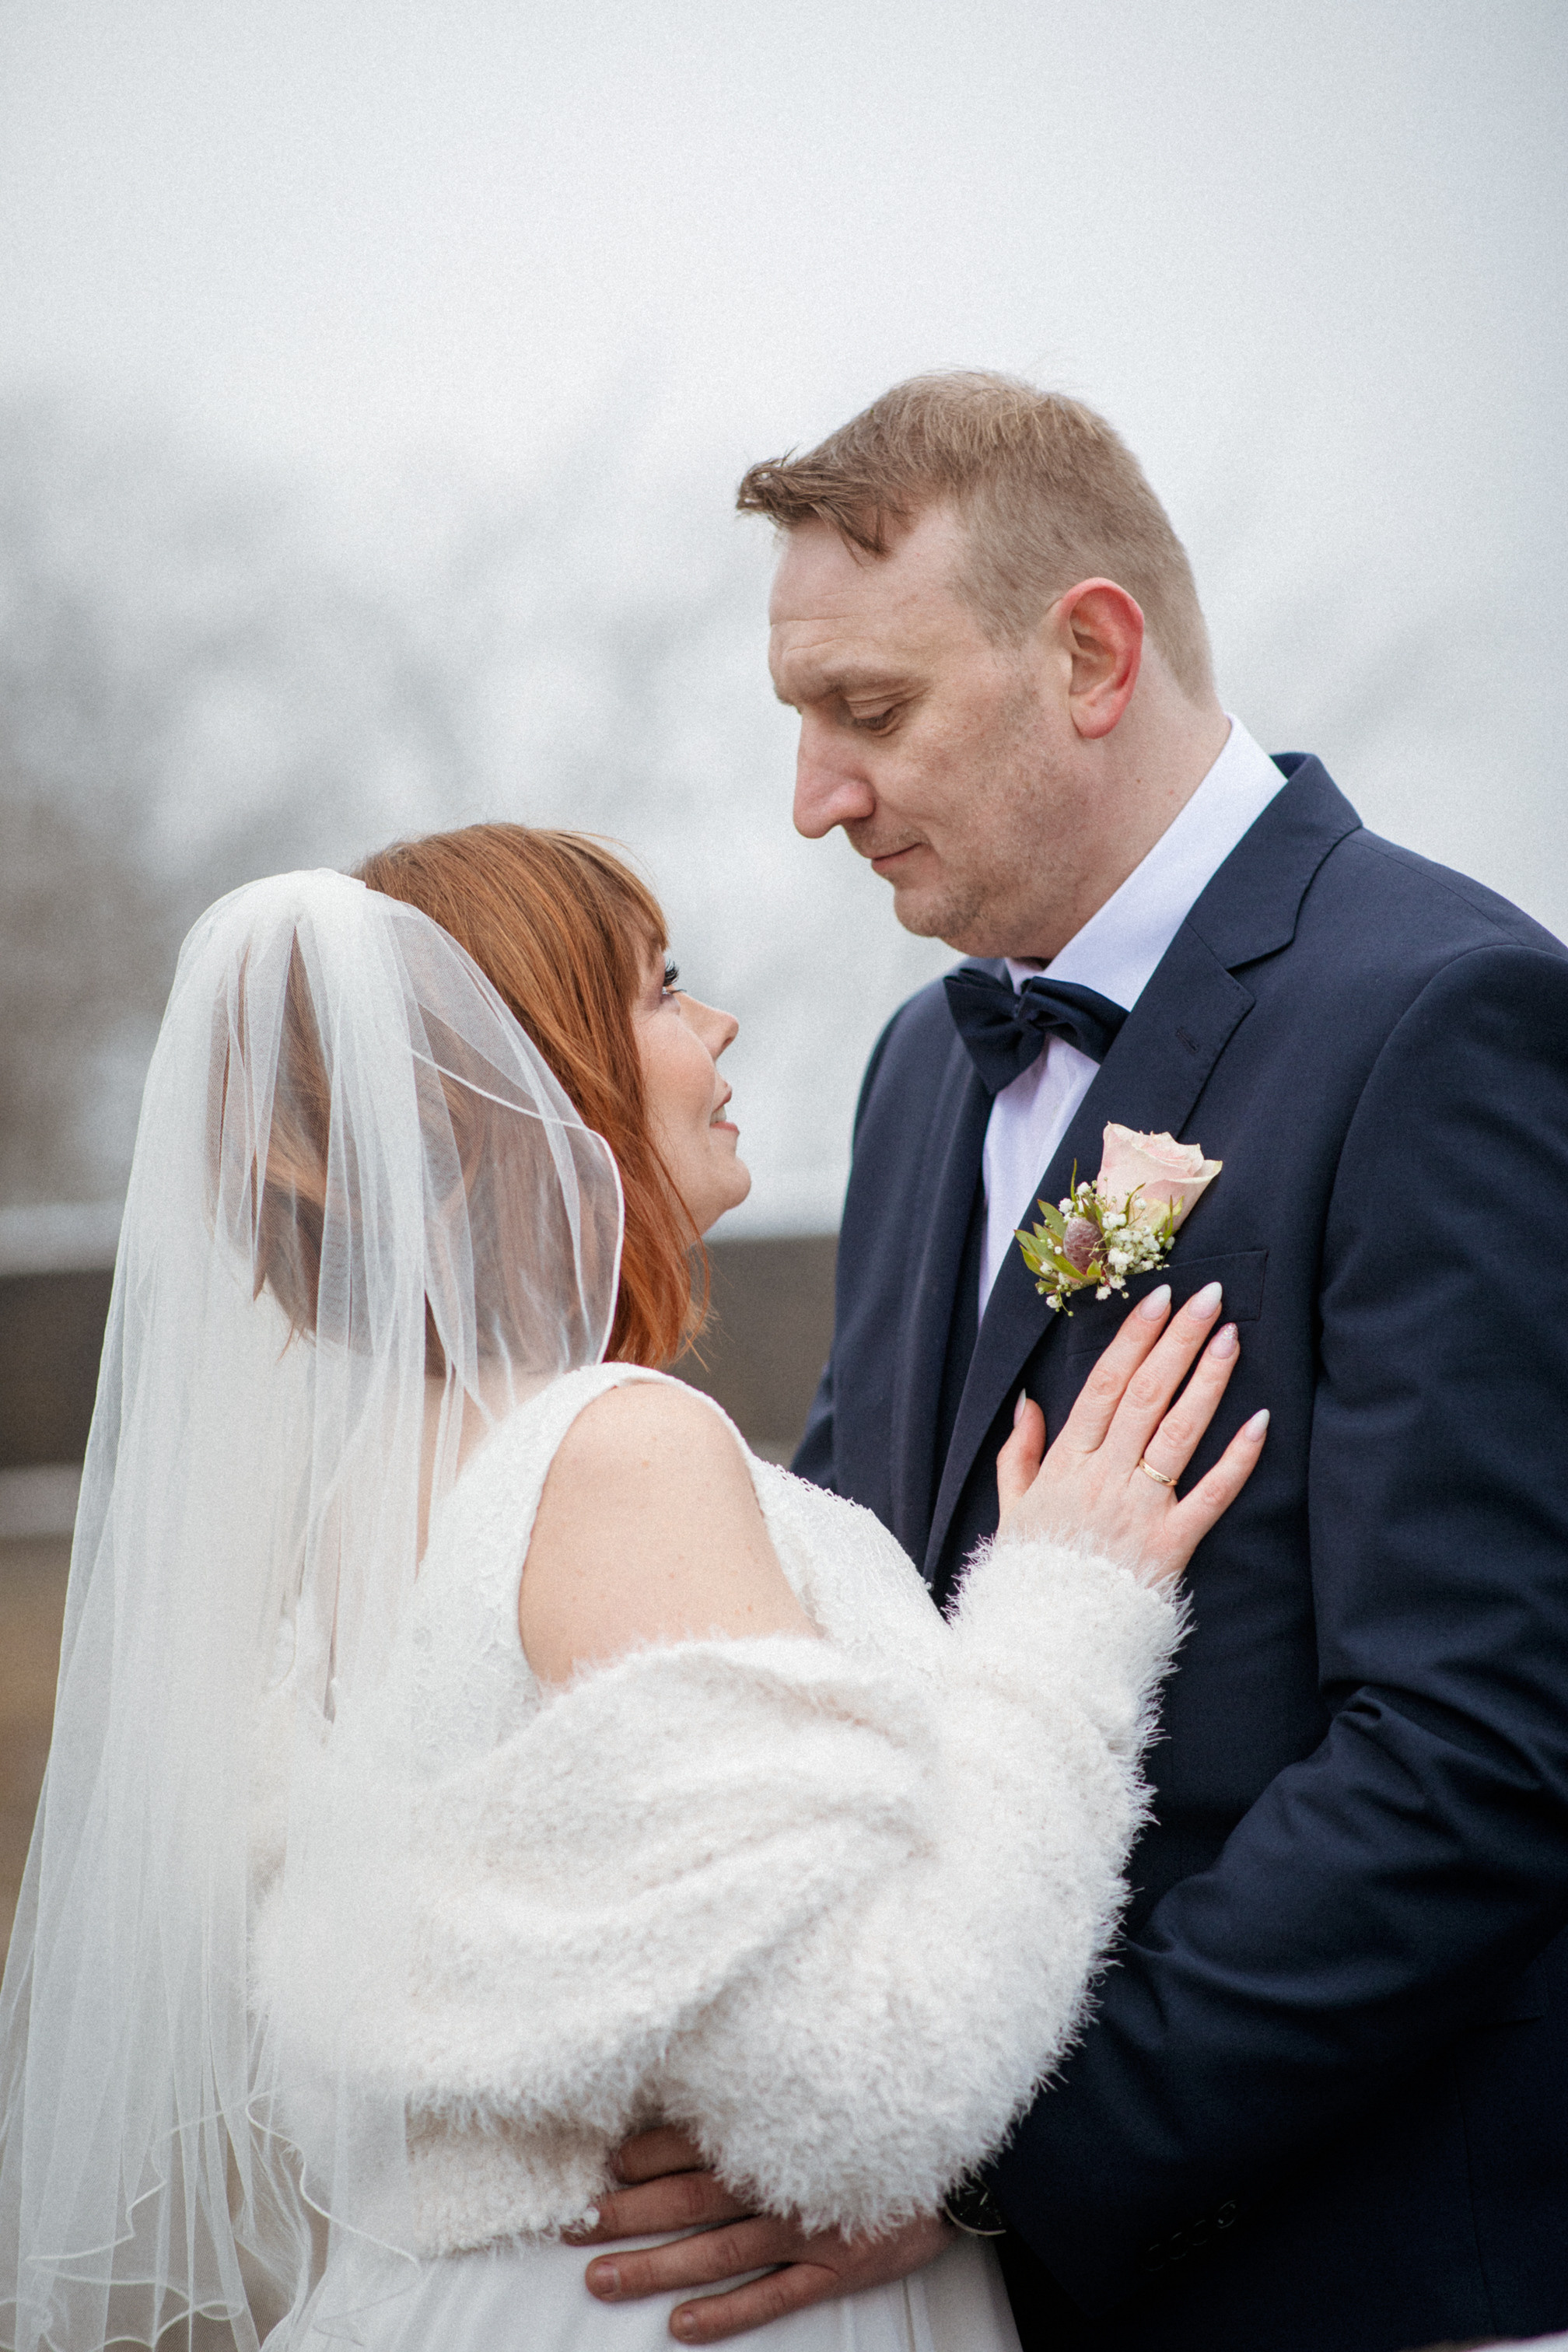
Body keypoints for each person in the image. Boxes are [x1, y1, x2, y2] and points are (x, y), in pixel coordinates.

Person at [572, 374, 1568, 2350]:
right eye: (800, 723)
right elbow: (871, 1624)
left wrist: (976, 2154)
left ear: (1092, 653)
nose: (814, 797)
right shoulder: (923, 1071)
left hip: (1358, 2281)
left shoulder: (1451, 1017)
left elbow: (1479, 1751)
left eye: (868, 714)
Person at [0, 825, 1264, 2352]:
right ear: (528, 1075)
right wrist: (1069, 1601)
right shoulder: (617, 1453)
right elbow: (868, 2090)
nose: (717, 1024)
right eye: (662, 990)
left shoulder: (365, 1497)